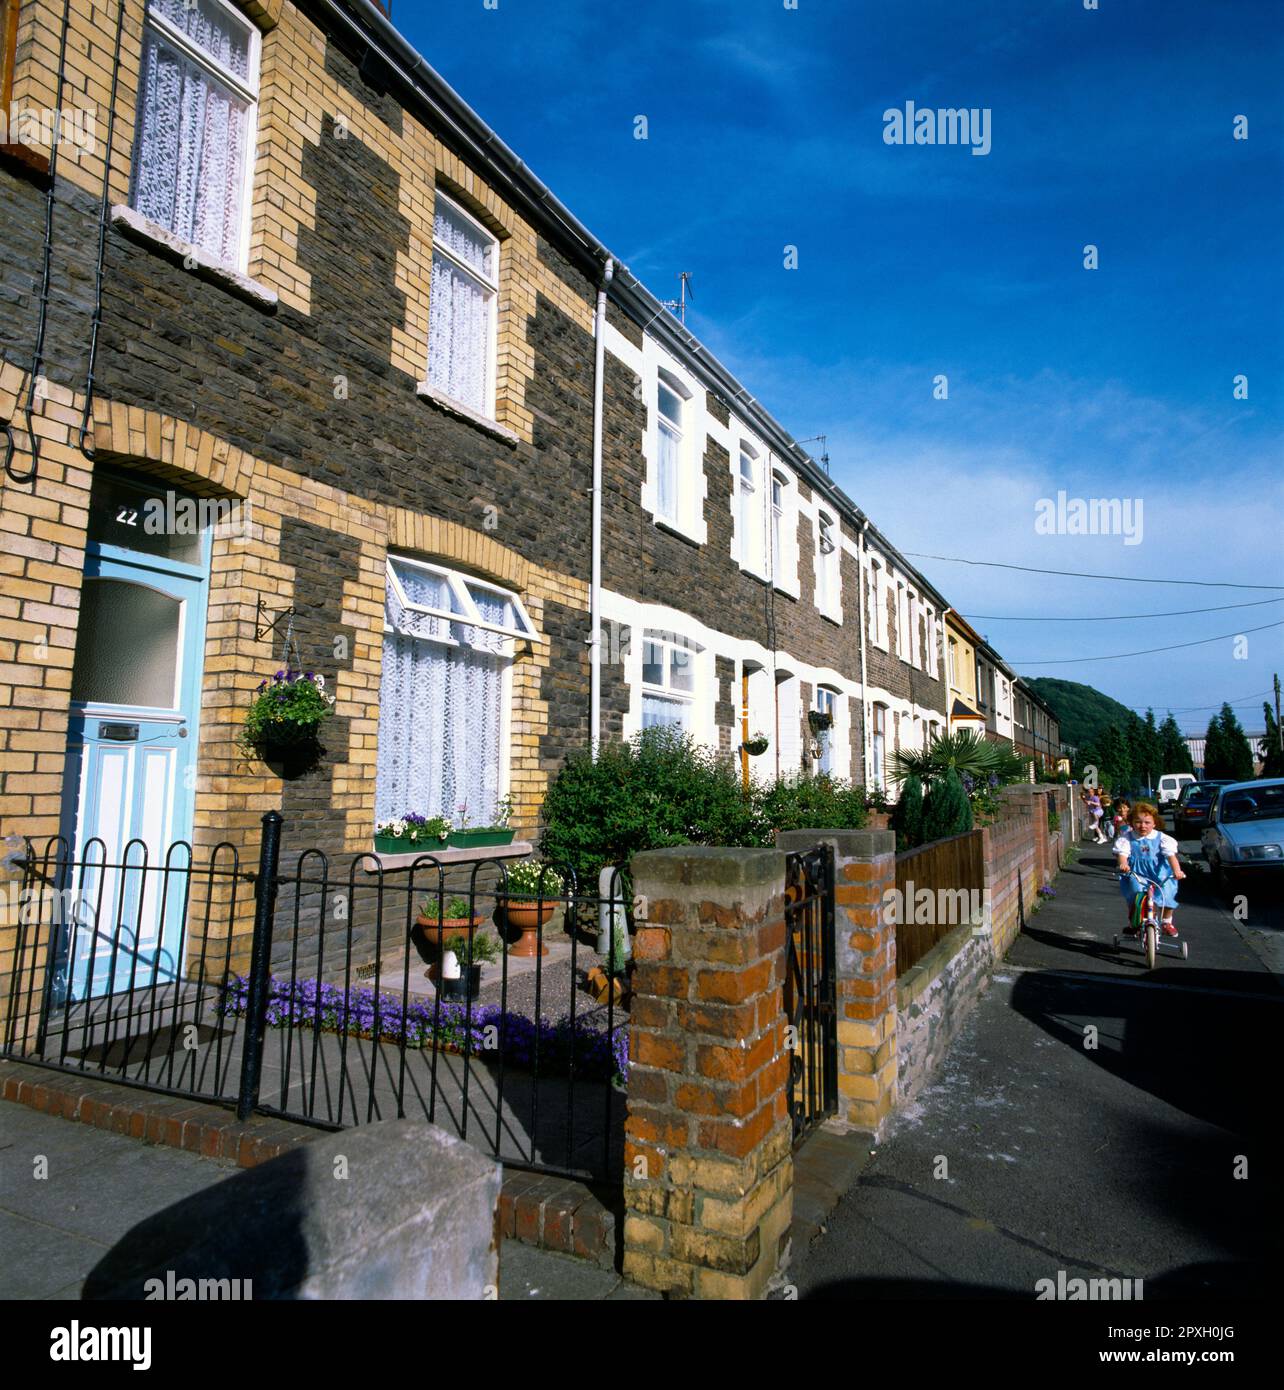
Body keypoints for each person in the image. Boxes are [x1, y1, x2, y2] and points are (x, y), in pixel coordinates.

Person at [1114, 801, 1184, 938]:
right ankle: (1135, 922)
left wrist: (1177, 870)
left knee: (1168, 894)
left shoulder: (1162, 838)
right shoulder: (1127, 838)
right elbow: (1122, 854)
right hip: (1137, 873)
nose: (1143, 826)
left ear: (1154, 823)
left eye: (1147, 822)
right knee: (1135, 896)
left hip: (1160, 874)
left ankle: (1166, 922)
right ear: (1132, 823)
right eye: (1138, 822)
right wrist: (1123, 864)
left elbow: (1171, 857)